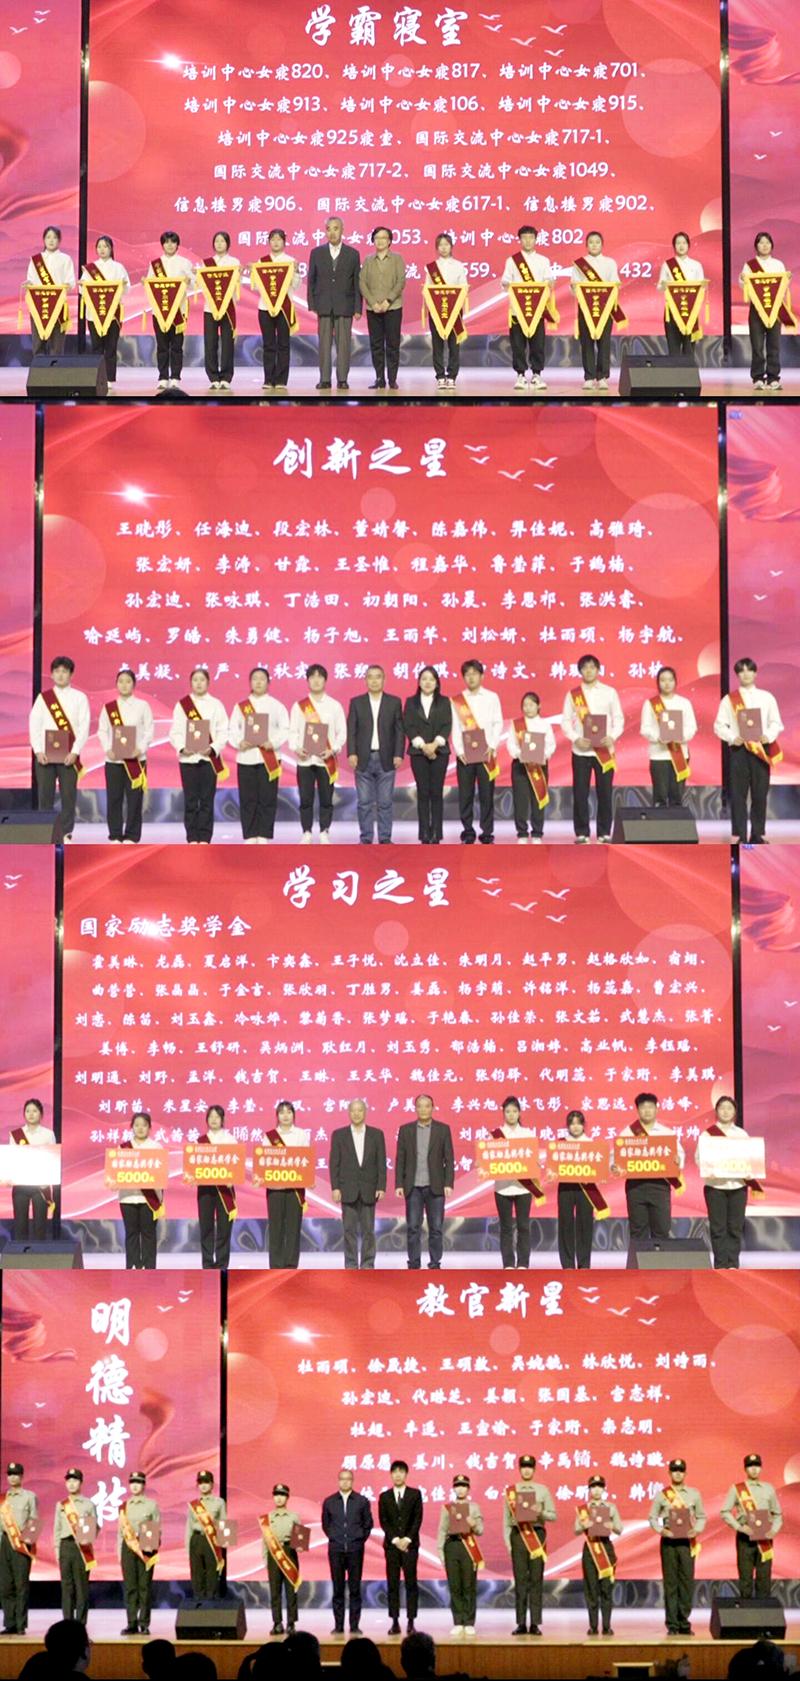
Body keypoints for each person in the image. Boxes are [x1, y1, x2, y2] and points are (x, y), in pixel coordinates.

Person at [714, 658, 783, 845]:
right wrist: (732, 737)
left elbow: (776, 722)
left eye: (749, 670)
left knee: (760, 793)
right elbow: (719, 725)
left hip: (761, 749)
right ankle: (741, 835)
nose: (746, 674)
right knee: (738, 794)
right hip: (739, 750)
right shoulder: (729, 700)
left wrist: (768, 736)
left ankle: (757, 834)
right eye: (741, 671)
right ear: (737, 675)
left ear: (755, 673)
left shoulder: (767, 697)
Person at [561, 652, 624, 843]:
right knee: (580, 793)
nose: (588, 671)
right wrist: (576, 738)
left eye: (592, 667)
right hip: (581, 751)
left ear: (598, 670)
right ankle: (582, 833)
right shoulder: (573, 695)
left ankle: (604, 832)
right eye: (585, 667)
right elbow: (565, 722)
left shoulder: (609, 692)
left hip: (604, 751)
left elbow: (618, 719)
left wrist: (612, 737)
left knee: (605, 792)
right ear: (580, 671)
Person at [696, 1095, 762, 1269]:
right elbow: (699, 1158)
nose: (725, 1111)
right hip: (715, 1186)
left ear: (734, 1112)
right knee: (718, 1228)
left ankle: (733, 1264)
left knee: (735, 1227)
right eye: (722, 1108)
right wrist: (708, 1167)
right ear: (717, 1111)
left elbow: (750, 1159)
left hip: (738, 1186)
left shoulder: (741, 1134)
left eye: (729, 1108)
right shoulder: (707, 1134)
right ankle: (720, 1264)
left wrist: (751, 1172)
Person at [30, 655, 90, 841]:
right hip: (45, 756)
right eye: (57, 671)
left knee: (68, 797)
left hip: (69, 757)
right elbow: (34, 725)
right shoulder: (43, 698)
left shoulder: (80, 698)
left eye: (64, 671)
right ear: (52, 674)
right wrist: (38, 750)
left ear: (71, 674)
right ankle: (46, 834)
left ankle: (66, 833)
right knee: (45, 797)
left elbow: (84, 727)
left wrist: (75, 752)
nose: (61, 675)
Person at [229, 667, 290, 843]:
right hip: (246, 758)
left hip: (269, 759)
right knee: (247, 799)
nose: (258, 682)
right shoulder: (240, 707)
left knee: (267, 798)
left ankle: (264, 835)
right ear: (250, 682)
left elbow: (285, 729)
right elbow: (232, 729)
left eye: (262, 679)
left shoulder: (276, 706)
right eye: (255, 678)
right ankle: (249, 835)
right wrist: (239, 742)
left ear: (268, 683)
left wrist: (273, 742)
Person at [169, 667, 229, 844]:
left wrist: (212, 748)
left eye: (202, 680)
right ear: (191, 683)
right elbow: (175, 732)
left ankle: (205, 838)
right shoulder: (182, 705)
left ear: (208, 682)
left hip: (208, 759)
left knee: (207, 801)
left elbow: (223, 731)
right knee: (190, 800)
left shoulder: (216, 704)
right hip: (188, 759)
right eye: (195, 680)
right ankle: (192, 838)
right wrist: (182, 748)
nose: (199, 683)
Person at [615, 1092, 685, 1243]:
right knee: (637, 1230)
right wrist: (615, 1167)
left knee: (661, 1229)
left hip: (660, 1186)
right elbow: (615, 1158)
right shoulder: (628, 1133)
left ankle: (660, 1259)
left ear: (656, 1109)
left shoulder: (666, 1133)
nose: (647, 1110)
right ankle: (638, 1259)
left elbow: (680, 1155)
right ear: (637, 1110)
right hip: (635, 1186)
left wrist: (678, 1160)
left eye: (650, 1107)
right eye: (643, 1107)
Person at [288, 664, 347, 843]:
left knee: (326, 798)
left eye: (320, 676)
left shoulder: (334, 706)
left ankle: (324, 831)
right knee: (305, 798)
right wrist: (297, 748)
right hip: (305, 760)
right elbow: (292, 732)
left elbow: (341, 733)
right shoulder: (299, 706)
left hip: (326, 760)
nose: (316, 680)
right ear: (307, 681)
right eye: (312, 677)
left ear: (325, 680)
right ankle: (306, 831)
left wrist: (333, 749)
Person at [395, 1096, 454, 1270]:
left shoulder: (443, 1130)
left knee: (436, 1228)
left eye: (427, 1106)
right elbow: (400, 1159)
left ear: (432, 1108)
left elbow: (449, 1159)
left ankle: (435, 1263)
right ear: (415, 1108)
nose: (423, 1109)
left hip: (436, 1186)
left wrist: (448, 1183)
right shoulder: (406, 1130)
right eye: (419, 1106)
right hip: (413, 1187)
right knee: (413, 1227)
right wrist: (399, 1184)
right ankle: (414, 1263)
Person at [347, 666, 405, 843]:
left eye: (378, 677)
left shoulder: (394, 702)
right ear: (365, 680)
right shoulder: (357, 702)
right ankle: (366, 838)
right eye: (370, 677)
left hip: (386, 758)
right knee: (364, 802)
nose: (374, 680)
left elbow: (399, 731)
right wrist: (351, 753)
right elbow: (352, 730)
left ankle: (385, 838)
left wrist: (398, 754)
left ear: (384, 680)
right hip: (363, 759)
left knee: (385, 803)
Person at [649, 1458, 706, 1637]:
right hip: (669, 1542)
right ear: (669, 1473)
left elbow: (701, 1516)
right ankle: (672, 1624)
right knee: (671, 1584)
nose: (678, 1473)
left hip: (687, 1542)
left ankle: (684, 1622)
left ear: (685, 1473)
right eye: (674, 1470)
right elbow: (652, 1517)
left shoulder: (694, 1494)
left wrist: (696, 1530)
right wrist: (661, 1530)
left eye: (681, 1470)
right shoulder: (662, 1495)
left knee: (687, 1583)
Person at [98, 666, 154, 843]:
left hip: (136, 760)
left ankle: (132, 835)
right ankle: (115, 834)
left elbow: (149, 731)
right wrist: (108, 749)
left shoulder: (143, 706)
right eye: (121, 681)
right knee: (114, 798)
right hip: (113, 760)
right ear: (116, 684)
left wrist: (140, 748)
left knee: (134, 799)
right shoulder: (109, 708)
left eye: (128, 681)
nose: (124, 685)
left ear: (134, 684)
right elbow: (102, 731)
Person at [330, 1099, 387, 1269]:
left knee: (369, 1231)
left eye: (360, 1110)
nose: (356, 1113)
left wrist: (381, 1186)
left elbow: (381, 1163)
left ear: (365, 1112)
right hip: (347, 1189)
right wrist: (335, 1187)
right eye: (353, 1110)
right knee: (349, 1231)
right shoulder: (339, 1135)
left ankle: (368, 1264)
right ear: (349, 1112)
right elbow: (334, 1163)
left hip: (369, 1189)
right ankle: (351, 1265)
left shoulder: (376, 1134)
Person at [451, 659, 503, 845]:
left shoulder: (492, 697)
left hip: (486, 753)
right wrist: (459, 751)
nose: (471, 677)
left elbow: (498, 722)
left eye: (474, 674)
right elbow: (456, 728)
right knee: (465, 794)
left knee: (486, 794)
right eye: (467, 674)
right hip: (465, 755)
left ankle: (487, 831)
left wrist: (492, 745)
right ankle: (468, 831)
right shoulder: (457, 701)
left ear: (482, 676)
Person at [503, 1454, 556, 1636]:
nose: (526, 1470)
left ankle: (534, 1623)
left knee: (536, 1580)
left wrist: (540, 1512)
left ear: (534, 1469)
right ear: (519, 1469)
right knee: (520, 1581)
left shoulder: (542, 1490)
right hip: (518, 1536)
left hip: (537, 1536)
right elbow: (506, 1521)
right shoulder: (511, 1491)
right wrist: (509, 1544)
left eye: (530, 1467)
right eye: (524, 1467)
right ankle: (520, 1623)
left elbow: (553, 1515)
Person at [501, 225, 557, 392]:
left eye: (531, 237)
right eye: (524, 237)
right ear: (520, 240)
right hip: (517, 311)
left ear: (536, 239)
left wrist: (549, 284)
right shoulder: (512, 261)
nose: (527, 241)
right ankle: (520, 375)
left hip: (537, 311)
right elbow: (505, 282)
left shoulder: (543, 261)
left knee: (537, 344)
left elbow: (549, 282)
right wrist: (509, 285)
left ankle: (537, 374)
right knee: (518, 345)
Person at [307, 217, 361, 391]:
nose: (332, 232)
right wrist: (312, 303)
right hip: (323, 304)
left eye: (336, 228)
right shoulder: (316, 252)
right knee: (324, 345)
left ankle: (342, 379)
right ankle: (324, 379)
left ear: (342, 230)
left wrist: (358, 308)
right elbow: (311, 280)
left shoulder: (353, 254)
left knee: (344, 345)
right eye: (329, 229)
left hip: (345, 305)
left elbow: (356, 283)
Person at [740, 232, 795, 392]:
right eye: (761, 242)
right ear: (756, 246)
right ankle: (758, 378)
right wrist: (743, 279)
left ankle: (773, 378)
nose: (764, 245)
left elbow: (783, 286)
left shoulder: (778, 264)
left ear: (772, 245)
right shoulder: (749, 265)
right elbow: (744, 287)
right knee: (757, 345)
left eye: (767, 242)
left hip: (775, 309)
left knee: (774, 345)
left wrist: (787, 278)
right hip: (757, 309)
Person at [491, 1095, 542, 1269]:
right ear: (503, 1113)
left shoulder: (527, 1134)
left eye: (514, 1111)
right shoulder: (496, 1135)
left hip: (523, 1188)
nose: (511, 1115)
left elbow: (534, 1159)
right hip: (502, 1187)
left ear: (519, 1113)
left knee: (523, 1226)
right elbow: (489, 1159)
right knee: (505, 1228)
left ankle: (523, 1263)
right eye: (508, 1111)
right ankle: (508, 1264)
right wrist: (482, 1164)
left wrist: (536, 1164)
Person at [403, 667, 452, 845]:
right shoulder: (411, 702)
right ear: (419, 682)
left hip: (440, 752)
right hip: (418, 752)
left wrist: (434, 745)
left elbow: (447, 725)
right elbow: (408, 725)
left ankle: (436, 833)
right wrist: (423, 746)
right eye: (424, 679)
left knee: (436, 792)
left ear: (437, 683)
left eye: (431, 679)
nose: (427, 682)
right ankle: (424, 832)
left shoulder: (444, 702)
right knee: (422, 792)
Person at [721, 1454, 782, 1597]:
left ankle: (763, 1609)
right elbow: (725, 1512)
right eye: (750, 1466)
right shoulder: (737, 1489)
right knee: (745, 1578)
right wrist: (739, 1527)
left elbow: (778, 1514)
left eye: (757, 1466)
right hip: (745, 1538)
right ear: (745, 1469)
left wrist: (774, 1530)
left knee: (764, 1578)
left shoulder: (769, 1488)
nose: (754, 1469)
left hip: (765, 1538)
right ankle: (746, 1609)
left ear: (761, 1468)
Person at [321, 1469, 373, 1635]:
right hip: (336, 1549)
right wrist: (335, 1537)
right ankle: (338, 1625)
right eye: (342, 1479)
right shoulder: (329, 1502)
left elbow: (368, 1524)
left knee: (355, 1589)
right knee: (338, 1589)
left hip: (355, 1550)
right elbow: (325, 1524)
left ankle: (354, 1625)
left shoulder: (362, 1501)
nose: (345, 1482)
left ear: (352, 1481)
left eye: (348, 1479)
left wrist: (358, 1539)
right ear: (338, 1481)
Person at [570, 230, 624, 391]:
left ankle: (602, 377)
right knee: (586, 342)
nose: (594, 245)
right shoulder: (579, 264)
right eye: (591, 242)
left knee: (604, 342)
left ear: (602, 244)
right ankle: (589, 377)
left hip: (605, 308)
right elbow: (575, 287)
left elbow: (615, 284)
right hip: (585, 308)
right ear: (586, 245)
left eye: (597, 242)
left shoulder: (610, 263)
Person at [640, 667, 697, 809]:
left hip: (680, 754)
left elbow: (692, 727)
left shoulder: (684, 703)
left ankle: (675, 823)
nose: (667, 683)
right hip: (658, 755)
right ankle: (659, 823)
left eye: (670, 680)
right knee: (660, 796)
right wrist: (658, 737)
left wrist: (680, 737)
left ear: (675, 682)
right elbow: (645, 728)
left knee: (677, 797)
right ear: (658, 682)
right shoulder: (650, 704)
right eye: (663, 680)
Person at [251, 228, 300, 392]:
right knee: (268, 344)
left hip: (284, 308)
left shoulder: (290, 261)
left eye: (279, 239)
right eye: (273, 239)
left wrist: (296, 271)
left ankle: (281, 380)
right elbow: (256, 286)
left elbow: (296, 285)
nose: (276, 242)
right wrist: (254, 271)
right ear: (269, 242)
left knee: (283, 344)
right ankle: (268, 378)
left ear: (284, 242)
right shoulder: (262, 261)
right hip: (265, 307)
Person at [555, 1109, 605, 1270]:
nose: (575, 1127)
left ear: (583, 1125)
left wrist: (601, 1172)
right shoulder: (560, 1144)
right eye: (572, 1123)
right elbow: (553, 1166)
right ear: (568, 1126)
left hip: (586, 1188)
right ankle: (567, 1264)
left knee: (585, 1224)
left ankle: (584, 1264)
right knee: (565, 1224)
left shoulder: (591, 1144)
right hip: (566, 1187)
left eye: (578, 1123)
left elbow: (599, 1166)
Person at [378, 1461, 423, 1637]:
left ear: (406, 1474)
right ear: (391, 1475)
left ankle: (411, 1621)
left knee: (411, 1583)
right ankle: (395, 1621)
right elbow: (384, 1521)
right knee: (393, 1584)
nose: (398, 1475)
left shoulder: (415, 1494)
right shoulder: (385, 1496)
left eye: (401, 1472)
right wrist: (396, 1540)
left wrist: (407, 1539)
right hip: (392, 1546)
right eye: (395, 1472)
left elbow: (417, 1519)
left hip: (410, 1546)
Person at [145, 231, 194, 391]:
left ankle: (175, 377)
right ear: (162, 245)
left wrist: (189, 280)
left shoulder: (185, 263)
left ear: (177, 244)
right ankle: (163, 377)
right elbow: (150, 287)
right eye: (166, 242)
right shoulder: (155, 265)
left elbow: (194, 284)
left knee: (177, 346)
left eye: (173, 242)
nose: (170, 245)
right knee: (162, 346)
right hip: (159, 311)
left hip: (178, 311)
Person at [265, 1100, 311, 1269]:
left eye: (289, 1112)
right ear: (277, 1116)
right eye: (282, 1112)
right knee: (276, 1227)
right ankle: (276, 1265)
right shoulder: (270, 1136)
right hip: (275, 1188)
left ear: (293, 1115)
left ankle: (291, 1264)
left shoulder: (301, 1135)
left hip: (295, 1189)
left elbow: (306, 1159)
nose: (285, 1116)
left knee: (293, 1227)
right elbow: (265, 1161)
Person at [80, 235, 130, 389]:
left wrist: (120, 286)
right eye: (99, 246)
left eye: (105, 246)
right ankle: (97, 378)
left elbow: (126, 289)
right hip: (94, 314)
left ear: (111, 249)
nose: (102, 249)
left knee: (111, 347)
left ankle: (110, 379)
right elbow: (82, 290)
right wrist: (83, 285)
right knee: (96, 347)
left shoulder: (118, 267)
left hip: (113, 314)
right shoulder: (90, 269)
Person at [359, 227, 406, 391]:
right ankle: (379, 378)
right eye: (376, 238)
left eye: (383, 238)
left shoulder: (397, 259)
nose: (380, 241)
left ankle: (392, 379)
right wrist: (373, 303)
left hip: (393, 307)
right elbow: (362, 283)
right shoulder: (368, 260)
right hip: (373, 309)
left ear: (389, 241)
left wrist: (388, 301)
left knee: (393, 344)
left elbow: (401, 281)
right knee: (376, 344)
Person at [575, 1474, 621, 1637]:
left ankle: (607, 1626)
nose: (596, 1490)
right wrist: (584, 1525)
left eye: (599, 1486)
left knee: (606, 1589)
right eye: (593, 1487)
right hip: (590, 1549)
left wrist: (611, 1524)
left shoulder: (611, 1507)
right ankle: (593, 1626)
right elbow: (576, 1530)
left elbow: (620, 1529)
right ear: (589, 1489)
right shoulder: (584, 1509)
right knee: (591, 1589)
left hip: (606, 1548)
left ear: (603, 1489)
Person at [507, 692, 557, 842]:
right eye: (525, 705)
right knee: (520, 800)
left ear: (538, 706)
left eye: (531, 705)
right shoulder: (516, 725)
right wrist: (520, 754)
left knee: (538, 800)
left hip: (539, 766)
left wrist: (543, 756)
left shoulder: (545, 724)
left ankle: (537, 833)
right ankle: (522, 833)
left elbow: (551, 744)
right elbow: (511, 744)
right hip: (520, 766)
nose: (527, 708)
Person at [437, 1475, 483, 1638]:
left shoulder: (474, 1507)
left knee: (469, 1585)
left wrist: (474, 1524)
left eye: (464, 1486)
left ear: (468, 1489)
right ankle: (458, 1621)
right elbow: (442, 1530)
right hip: (452, 1546)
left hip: (468, 1548)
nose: (461, 1489)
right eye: (458, 1486)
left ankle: (469, 1622)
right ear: (453, 1488)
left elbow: (480, 1530)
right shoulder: (447, 1508)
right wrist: (440, 1552)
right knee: (455, 1585)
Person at [422, 234, 468, 390]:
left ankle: (452, 375)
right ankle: (440, 376)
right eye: (440, 245)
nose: (443, 248)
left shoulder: (459, 265)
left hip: (454, 311)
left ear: (451, 246)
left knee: (454, 344)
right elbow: (427, 289)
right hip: (436, 310)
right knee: (437, 344)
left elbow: (464, 286)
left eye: (446, 244)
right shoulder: (431, 267)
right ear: (437, 248)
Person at [119, 1110, 163, 1269]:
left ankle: (149, 1268)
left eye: (144, 1125)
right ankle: (133, 1266)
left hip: (149, 1199)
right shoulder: (123, 1148)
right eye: (137, 1125)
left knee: (148, 1234)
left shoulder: (156, 1147)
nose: (140, 1128)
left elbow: (162, 1173)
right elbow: (116, 1172)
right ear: (132, 1127)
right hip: (127, 1197)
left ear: (150, 1128)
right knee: (131, 1234)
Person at [196, 1104, 237, 1269]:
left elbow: (236, 1164)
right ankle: (207, 1263)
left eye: (217, 1117)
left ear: (222, 1119)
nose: (213, 1120)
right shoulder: (200, 1142)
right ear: (207, 1120)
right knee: (206, 1227)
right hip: (205, 1188)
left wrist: (232, 1177)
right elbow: (195, 1165)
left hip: (224, 1189)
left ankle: (221, 1263)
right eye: (211, 1117)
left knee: (224, 1228)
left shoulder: (230, 1140)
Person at [119, 1470, 160, 1635]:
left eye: (138, 1482)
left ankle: (144, 1623)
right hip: (127, 1547)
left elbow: (156, 1527)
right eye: (132, 1482)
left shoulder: (151, 1505)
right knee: (130, 1587)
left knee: (144, 1587)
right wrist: (119, 1552)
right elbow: (120, 1532)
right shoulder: (124, 1506)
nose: (135, 1486)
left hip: (146, 1545)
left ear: (144, 1485)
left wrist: (152, 1548)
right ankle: (131, 1623)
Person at [54, 1469, 97, 1625]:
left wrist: (87, 1537)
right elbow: (57, 1529)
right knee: (66, 1587)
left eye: (75, 1480)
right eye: (69, 1481)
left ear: (81, 1483)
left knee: (81, 1588)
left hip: (82, 1548)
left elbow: (93, 1529)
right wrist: (57, 1550)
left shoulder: (88, 1504)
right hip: (65, 1546)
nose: (71, 1484)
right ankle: (67, 1623)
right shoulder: (61, 1505)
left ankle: (80, 1625)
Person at [10, 1098, 56, 1241]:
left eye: (35, 1111)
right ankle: (21, 1253)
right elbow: (12, 1159)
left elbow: (53, 1158)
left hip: (41, 1186)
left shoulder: (48, 1134)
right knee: (20, 1225)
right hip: (21, 1184)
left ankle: (38, 1254)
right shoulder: (16, 1135)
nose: (31, 1114)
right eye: (28, 1111)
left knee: (40, 1225)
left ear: (41, 1114)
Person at [198, 230, 240, 391]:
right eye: (217, 241)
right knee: (210, 343)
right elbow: (201, 285)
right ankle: (213, 377)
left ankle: (226, 377)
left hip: (228, 308)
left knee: (228, 343)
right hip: (210, 308)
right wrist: (197, 275)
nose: (219, 244)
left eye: (222, 241)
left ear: (228, 244)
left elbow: (236, 282)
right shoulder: (206, 263)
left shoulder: (234, 262)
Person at [0, 1462, 38, 1634]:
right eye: (10, 1474)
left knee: (21, 1585)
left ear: (22, 1476)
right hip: (4, 1543)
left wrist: (27, 1545)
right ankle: (10, 1623)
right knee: (5, 1586)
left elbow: (34, 1521)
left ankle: (21, 1624)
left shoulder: (29, 1496)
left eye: (16, 1474)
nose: (12, 1477)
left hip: (21, 1544)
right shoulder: (3, 1498)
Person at [260, 1482, 302, 1635]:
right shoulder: (267, 1518)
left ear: (287, 1497)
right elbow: (264, 1541)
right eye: (276, 1495)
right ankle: (277, 1623)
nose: (279, 1498)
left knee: (291, 1591)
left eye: (282, 1495)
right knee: (275, 1591)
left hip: (289, 1553)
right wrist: (265, 1559)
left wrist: (300, 1545)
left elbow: (300, 1539)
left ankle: (291, 1623)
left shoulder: (294, 1516)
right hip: (273, 1555)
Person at [26, 226, 75, 354]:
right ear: (44, 240)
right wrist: (28, 284)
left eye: (54, 237)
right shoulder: (36, 260)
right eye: (48, 237)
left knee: (57, 346)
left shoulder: (65, 259)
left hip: (58, 306)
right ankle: (38, 367)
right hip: (39, 307)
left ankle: (56, 367)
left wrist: (67, 285)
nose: (51, 240)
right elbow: (31, 279)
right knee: (38, 345)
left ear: (59, 240)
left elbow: (71, 282)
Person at [657, 233, 707, 358]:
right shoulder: (667, 265)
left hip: (690, 312)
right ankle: (674, 370)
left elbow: (702, 288)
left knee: (689, 349)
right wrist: (664, 285)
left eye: (684, 243)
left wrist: (703, 285)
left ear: (688, 245)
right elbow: (659, 287)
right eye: (678, 243)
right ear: (674, 246)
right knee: (673, 349)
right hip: (672, 311)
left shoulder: (696, 265)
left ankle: (688, 370)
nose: (681, 246)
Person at [186, 1472, 227, 1604]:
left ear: (212, 1484)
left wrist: (224, 1546)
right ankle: (198, 1601)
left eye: (206, 1482)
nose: (203, 1485)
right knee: (197, 1572)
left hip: (212, 1540)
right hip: (196, 1539)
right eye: (200, 1482)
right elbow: (189, 1526)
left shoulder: (219, 1502)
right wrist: (187, 1547)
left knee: (212, 1571)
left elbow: (224, 1522)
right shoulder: (193, 1504)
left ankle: (211, 1602)